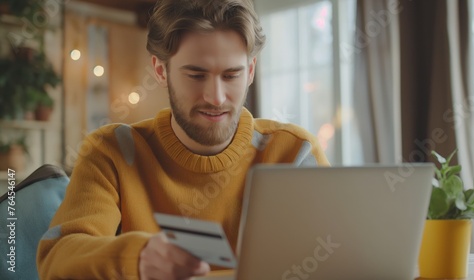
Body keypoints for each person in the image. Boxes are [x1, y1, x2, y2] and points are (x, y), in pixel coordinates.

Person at [36, 0, 329, 279]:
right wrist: (136, 258)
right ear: (161, 71)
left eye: (231, 76)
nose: (216, 97)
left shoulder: (294, 152)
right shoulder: (111, 152)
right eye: (196, 75)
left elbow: (337, 257)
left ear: (250, 71)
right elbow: (57, 258)